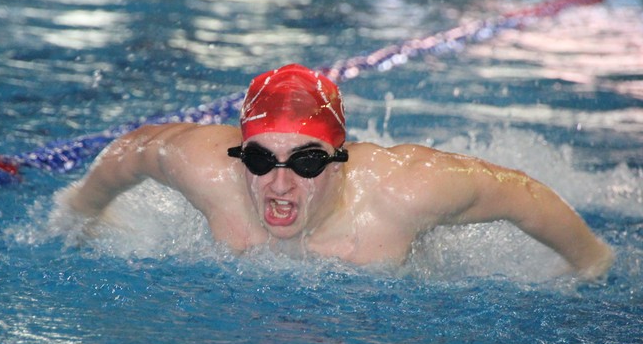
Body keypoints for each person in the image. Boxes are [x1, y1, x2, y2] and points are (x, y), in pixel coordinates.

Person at [63, 63, 614, 279]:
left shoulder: (404, 190)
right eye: (259, 159)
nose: (279, 183)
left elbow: (518, 194)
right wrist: (81, 210)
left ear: (339, 159)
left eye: (305, 161)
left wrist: (589, 261)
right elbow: (135, 151)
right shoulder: (207, 171)